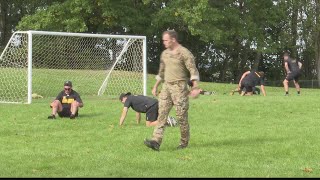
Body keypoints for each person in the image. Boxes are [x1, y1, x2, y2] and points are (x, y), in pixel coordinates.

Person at [144, 30, 200, 151]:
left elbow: (193, 70)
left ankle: (184, 143)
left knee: (181, 117)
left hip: (179, 88)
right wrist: (155, 86)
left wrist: (195, 87)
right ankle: (156, 141)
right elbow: (162, 71)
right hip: (166, 88)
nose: (164, 42)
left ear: (173, 39)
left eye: (166, 40)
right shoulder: (164, 54)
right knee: (162, 114)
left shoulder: (184, 53)